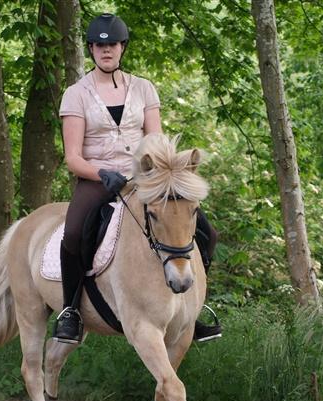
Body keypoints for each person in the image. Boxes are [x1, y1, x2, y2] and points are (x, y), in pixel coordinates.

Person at [53, 13, 221, 344]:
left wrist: (166, 169)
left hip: (145, 179)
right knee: (73, 233)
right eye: (99, 45)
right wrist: (103, 173)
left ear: (122, 48)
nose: (106, 50)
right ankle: (70, 311)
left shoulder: (143, 88)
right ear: (91, 48)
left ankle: (192, 308)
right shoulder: (76, 94)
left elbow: (155, 139)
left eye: (112, 44)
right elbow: (72, 157)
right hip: (96, 179)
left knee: (206, 232)